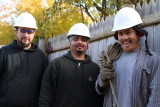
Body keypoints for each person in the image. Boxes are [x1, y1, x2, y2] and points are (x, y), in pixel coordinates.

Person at [95, 7, 160, 107]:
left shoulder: (152, 60)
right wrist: (101, 80)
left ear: (138, 34)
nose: (124, 37)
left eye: (128, 32)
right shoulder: (110, 58)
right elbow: (99, 90)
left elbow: (156, 98)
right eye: (120, 33)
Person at [39, 23, 103, 107]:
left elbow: (100, 99)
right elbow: (45, 96)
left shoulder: (95, 69)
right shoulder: (56, 65)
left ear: (87, 44)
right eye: (75, 39)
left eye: (83, 40)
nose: (79, 42)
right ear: (70, 43)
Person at [0, 13, 48, 106]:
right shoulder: (4, 53)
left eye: (30, 32)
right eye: (23, 31)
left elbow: (45, 88)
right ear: (16, 31)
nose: (26, 35)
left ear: (34, 33)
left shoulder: (41, 57)